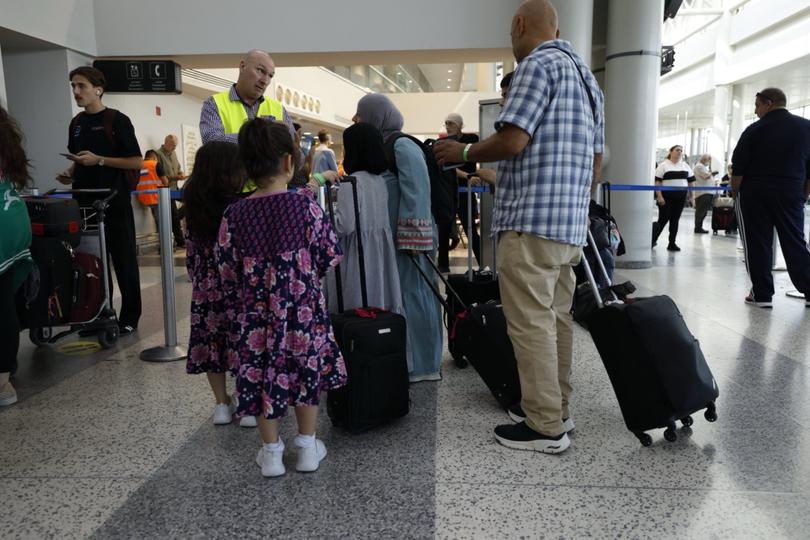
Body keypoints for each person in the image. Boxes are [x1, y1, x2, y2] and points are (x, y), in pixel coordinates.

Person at [434, 0, 604, 454]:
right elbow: (597, 161)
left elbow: (513, 139)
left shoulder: (536, 65)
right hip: (569, 226)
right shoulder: (587, 80)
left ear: (519, 24)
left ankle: (545, 426)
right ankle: (557, 409)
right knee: (556, 320)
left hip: (530, 222)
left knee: (529, 325)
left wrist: (463, 154)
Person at [217, 119, 346, 477]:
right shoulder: (305, 206)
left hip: (255, 317)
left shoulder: (234, 214)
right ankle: (306, 446)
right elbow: (328, 256)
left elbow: (226, 269)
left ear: (245, 165)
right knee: (306, 373)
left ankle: (271, 452)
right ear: (289, 162)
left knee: (261, 375)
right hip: (302, 312)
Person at [353, 93, 444, 382]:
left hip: (412, 239)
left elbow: (418, 192)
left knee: (418, 295)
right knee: (406, 295)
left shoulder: (402, 145)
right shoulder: (387, 144)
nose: (357, 119)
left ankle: (427, 364)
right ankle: (411, 359)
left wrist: (413, 238)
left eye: (361, 114)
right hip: (397, 237)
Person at [57, 66, 143, 335]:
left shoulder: (117, 120)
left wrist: (100, 160)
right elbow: (80, 158)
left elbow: (137, 160)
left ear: (98, 89)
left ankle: (130, 316)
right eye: (73, 86)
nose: (76, 91)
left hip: (113, 202)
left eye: (81, 86)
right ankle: (96, 313)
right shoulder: (76, 124)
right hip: (83, 202)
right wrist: (71, 172)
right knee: (91, 259)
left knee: (124, 259)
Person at [182, 141, 261, 428]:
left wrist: (199, 278)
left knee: (211, 343)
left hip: (206, 286)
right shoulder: (242, 205)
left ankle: (221, 405)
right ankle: (247, 404)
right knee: (243, 340)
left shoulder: (192, 205)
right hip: (238, 284)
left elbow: (190, 252)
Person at [731, 87, 810, 308]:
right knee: (795, 242)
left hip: (755, 194)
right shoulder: (806, 127)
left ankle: (762, 294)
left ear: (769, 103)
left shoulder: (754, 130)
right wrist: (802, 195)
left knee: (757, 243)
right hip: (791, 192)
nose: (756, 112)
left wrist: (735, 192)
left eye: (757, 106)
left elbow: (738, 169)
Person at [321, 123, 404, 318]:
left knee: (357, 306)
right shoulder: (380, 181)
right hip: (379, 253)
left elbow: (344, 224)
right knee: (379, 304)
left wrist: (325, 213)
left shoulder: (351, 182)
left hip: (356, 255)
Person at [0, 105, 34, 406]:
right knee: (2, 302)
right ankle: (3, 378)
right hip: (12, 220)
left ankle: (2, 381)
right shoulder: (7, 140)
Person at [444, 113, 481, 270]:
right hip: (450, 191)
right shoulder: (445, 142)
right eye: (446, 123)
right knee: (444, 227)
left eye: (450, 123)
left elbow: (469, 156)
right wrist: (466, 175)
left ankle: (482, 262)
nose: (447, 126)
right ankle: (443, 265)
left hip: (465, 192)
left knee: (470, 228)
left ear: (459, 125)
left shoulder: (471, 139)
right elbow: (447, 167)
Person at [652, 145, 695, 251]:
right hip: (666, 197)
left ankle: (672, 243)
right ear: (671, 152)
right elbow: (657, 182)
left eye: (681, 150)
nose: (679, 152)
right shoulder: (663, 165)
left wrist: (692, 197)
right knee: (663, 219)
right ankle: (652, 240)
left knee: (675, 220)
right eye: (677, 150)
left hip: (680, 198)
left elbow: (691, 182)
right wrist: (659, 196)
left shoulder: (685, 166)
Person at [154, 135, 186, 249]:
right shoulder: (157, 154)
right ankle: (180, 241)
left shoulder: (173, 153)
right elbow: (160, 175)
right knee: (174, 216)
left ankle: (178, 216)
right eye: (173, 145)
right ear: (166, 142)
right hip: (165, 190)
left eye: (176, 146)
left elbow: (177, 167)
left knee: (193, 200)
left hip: (175, 188)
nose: (174, 148)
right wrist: (176, 177)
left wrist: (181, 173)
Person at [136, 149, 167, 231]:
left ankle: (160, 239)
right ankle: (164, 241)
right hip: (156, 197)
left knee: (157, 220)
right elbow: (165, 181)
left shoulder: (138, 165)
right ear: (153, 157)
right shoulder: (155, 164)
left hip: (142, 197)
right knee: (162, 222)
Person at [693, 154, 715, 234]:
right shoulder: (699, 167)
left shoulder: (702, 167)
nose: (708, 161)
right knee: (701, 211)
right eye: (708, 160)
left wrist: (710, 167)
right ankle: (698, 227)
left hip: (706, 192)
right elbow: (706, 176)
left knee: (703, 211)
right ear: (704, 159)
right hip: (703, 192)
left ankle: (699, 227)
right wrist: (713, 173)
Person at [289, 122, 309, 187]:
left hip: (300, 180)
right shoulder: (293, 148)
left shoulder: (299, 148)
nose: (301, 136)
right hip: (296, 182)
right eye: (300, 133)